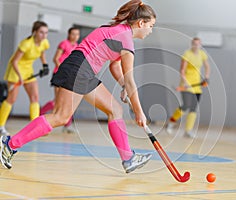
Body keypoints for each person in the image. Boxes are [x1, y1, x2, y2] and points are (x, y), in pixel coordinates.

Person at [0, 0, 156, 173]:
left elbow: (115, 66)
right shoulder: (126, 38)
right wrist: (139, 111)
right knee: (60, 116)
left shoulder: (120, 32)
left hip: (84, 71)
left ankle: (128, 158)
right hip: (79, 68)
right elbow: (131, 80)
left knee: (115, 110)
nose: (151, 30)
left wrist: (123, 86)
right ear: (141, 23)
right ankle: (10, 143)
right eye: (151, 26)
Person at [0, 21, 50, 136]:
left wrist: (45, 65)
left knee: (35, 97)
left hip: (28, 71)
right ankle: (1, 126)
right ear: (35, 32)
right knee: (11, 99)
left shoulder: (44, 43)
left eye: (46, 33)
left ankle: (36, 127)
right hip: (15, 71)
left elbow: (42, 52)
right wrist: (20, 77)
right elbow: (14, 61)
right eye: (41, 32)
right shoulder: (26, 44)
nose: (44, 35)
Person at [166, 37, 210, 138]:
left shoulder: (202, 54)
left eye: (198, 44)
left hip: (197, 86)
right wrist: (186, 83)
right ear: (192, 44)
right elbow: (182, 70)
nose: (196, 46)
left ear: (200, 45)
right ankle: (171, 122)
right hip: (186, 85)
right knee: (186, 106)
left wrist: (206, 77)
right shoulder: (187, 54)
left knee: (193, 108)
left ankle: (188, 131)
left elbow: (207, 66)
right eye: (194, 44)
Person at [40, 27, 80, 133]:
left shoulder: (76, 46)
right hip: (60, 74)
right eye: (73, 34)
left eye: (77, 34)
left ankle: (67, 125)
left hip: (69, 76)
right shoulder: (64, 43)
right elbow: (56, 58)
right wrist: (63, 69)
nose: (75, 36)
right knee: (57, 101)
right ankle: (41, 113)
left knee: (68, 101)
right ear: (69, 34)